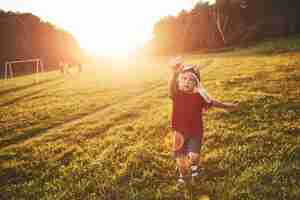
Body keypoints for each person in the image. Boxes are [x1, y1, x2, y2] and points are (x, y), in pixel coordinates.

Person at [168, 57, 238, 184]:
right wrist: (174, 71)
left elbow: (212, 103)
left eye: (191, 80)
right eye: (184, 78)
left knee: (194, 157)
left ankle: (195, 167)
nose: (187, 82)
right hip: (179, 133)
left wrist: (228, 106)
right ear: (179, 81)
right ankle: (184, 176)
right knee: (181, 163)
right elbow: (172, 84)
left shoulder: (200, 96)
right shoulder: (176, 94)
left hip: (195, 132)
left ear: (196, 84)